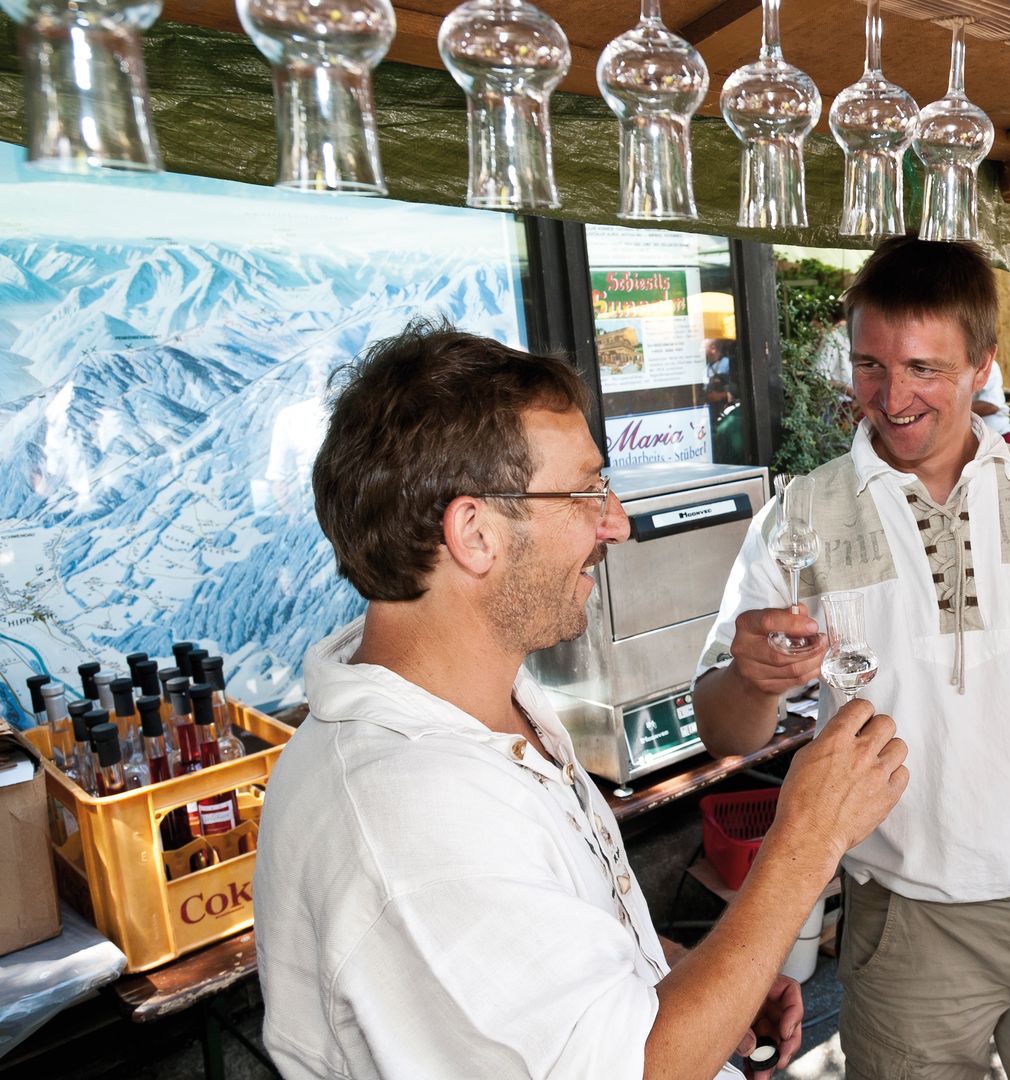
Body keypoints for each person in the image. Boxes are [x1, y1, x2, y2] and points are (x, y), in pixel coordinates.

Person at [256, 323, 908, 1080]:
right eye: (585, 492)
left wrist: (695, 977)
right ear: (474, 532)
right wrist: (805, 844)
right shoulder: (408, 814)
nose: (618, 524)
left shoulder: (485, 704)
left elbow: (534, 968)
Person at [692, 237, 1010, 1080]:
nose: (892, 398)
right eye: (869, 365)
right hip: (904, 928)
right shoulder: (800, 520)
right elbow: (723, 729)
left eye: (924, 369)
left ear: (983, 365)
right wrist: (752, 679)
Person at [973, 356, 1010, 442]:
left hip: (996, 438)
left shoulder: (987, 366)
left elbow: (991, 405)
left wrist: (954, 410)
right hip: (973, 437)